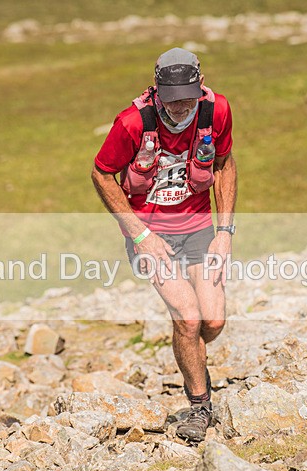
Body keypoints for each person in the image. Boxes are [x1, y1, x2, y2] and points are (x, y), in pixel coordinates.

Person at [91, 47, 237, 442]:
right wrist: (140, 235)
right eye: (171, 101)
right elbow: (102, 174)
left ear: (200, 85)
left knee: (213, 320)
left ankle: (190, 353)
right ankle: (199, 406)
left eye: (187, 98)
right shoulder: (131, 123)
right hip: (151, 237)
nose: (180, 108)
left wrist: (224, 233)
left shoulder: (216, 111)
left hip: (199, 228)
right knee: (188, 319)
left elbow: (223, 163)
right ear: (157, 92)